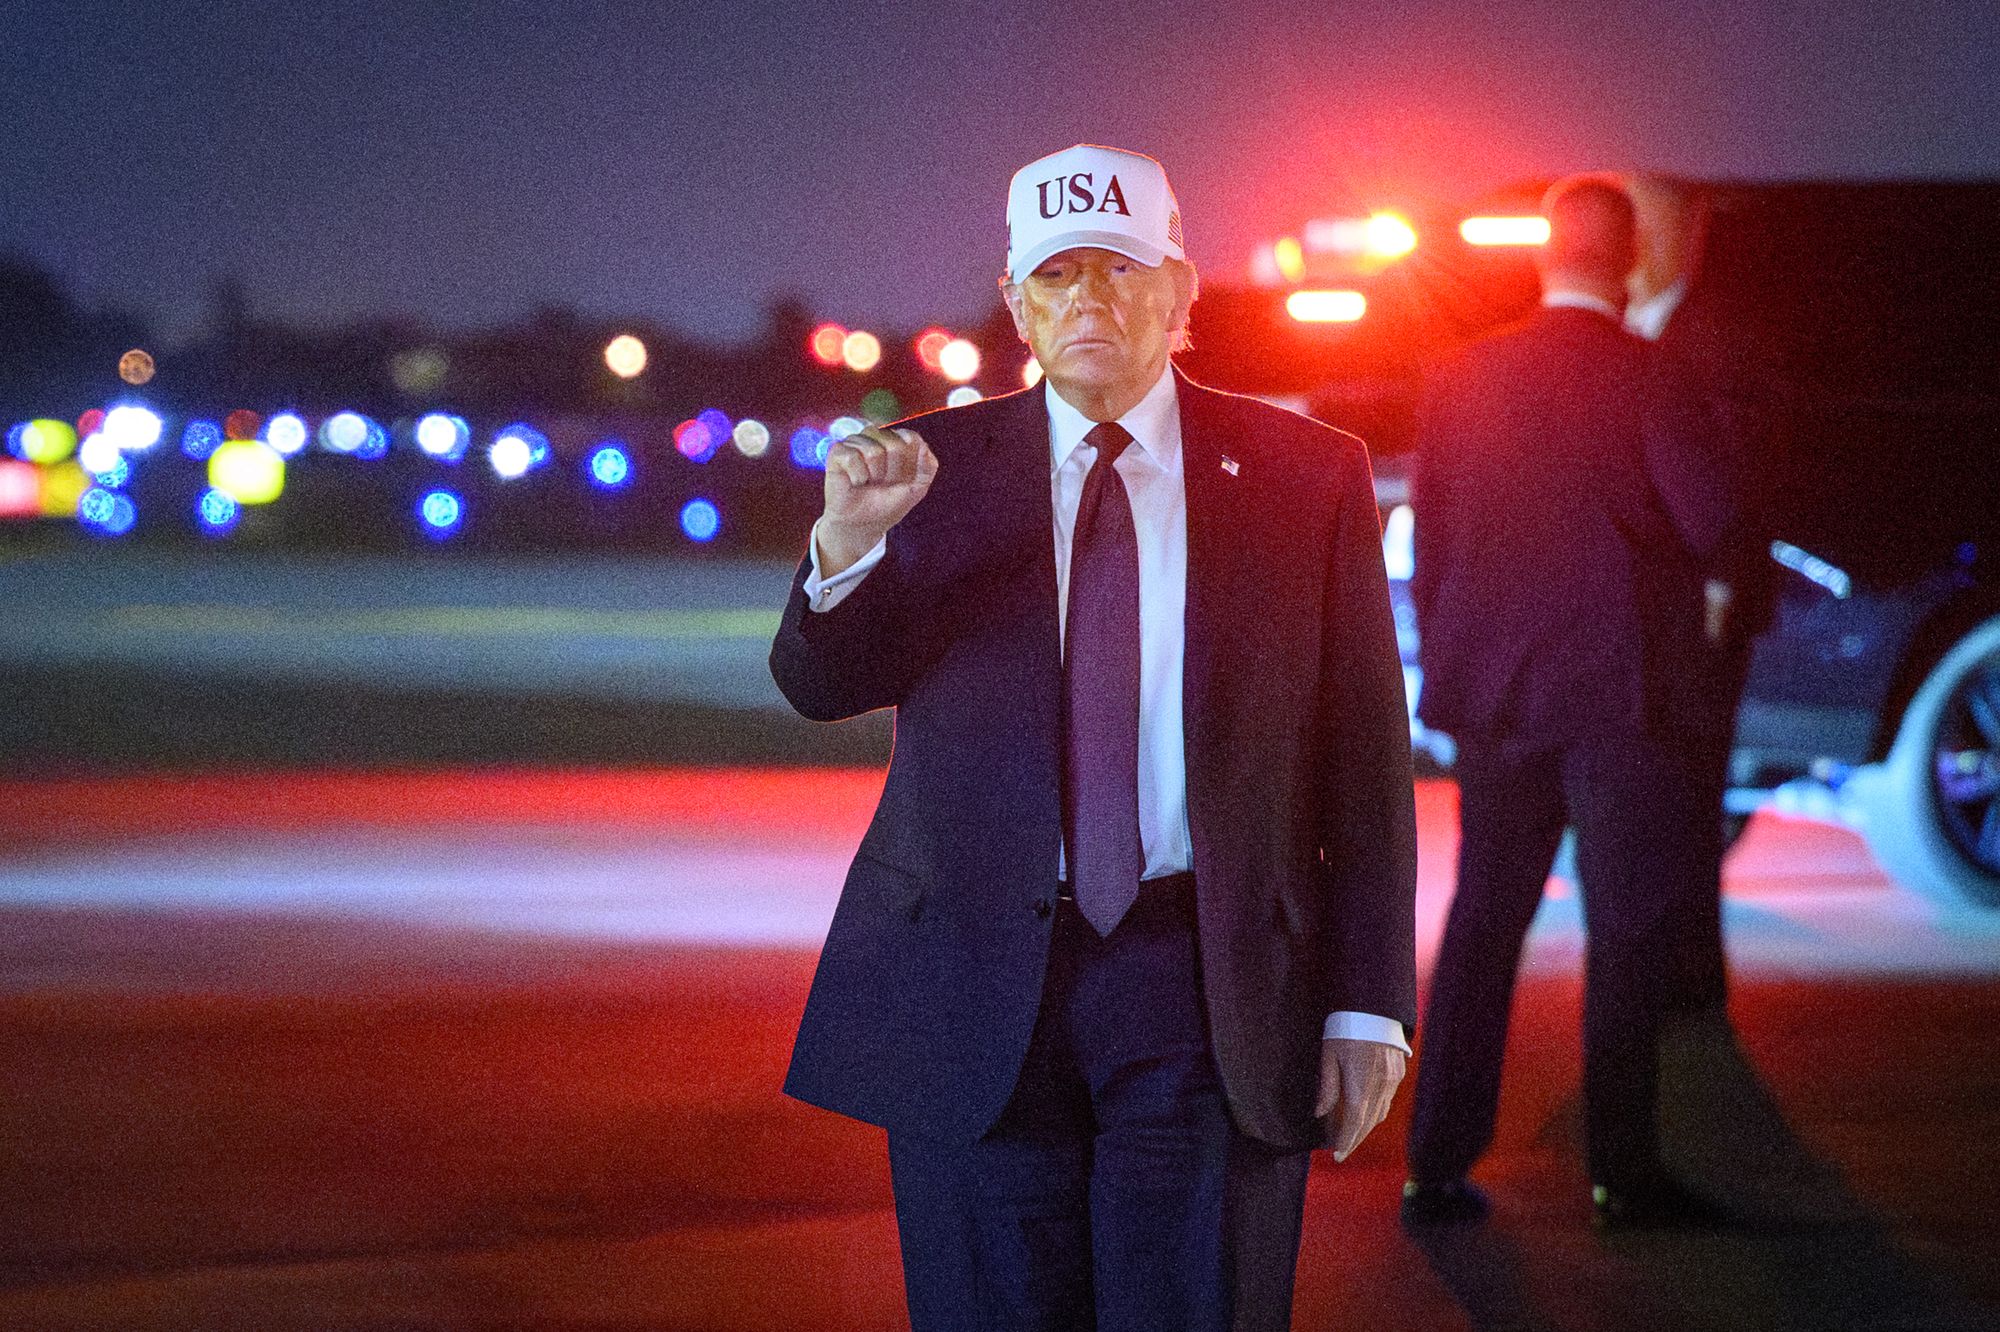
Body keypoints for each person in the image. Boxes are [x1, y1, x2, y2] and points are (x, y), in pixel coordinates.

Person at [769, 143, 1418, 1330]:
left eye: (1118, 272)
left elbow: (1364, 763)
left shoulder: (1305, 477)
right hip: (976, 987)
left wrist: (1367, 1000)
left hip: (1207, 979)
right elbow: (821, 685)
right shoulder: (928, 473)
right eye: (1056, 277)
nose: (1088, 303)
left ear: (1179, 293)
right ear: (1016, 304)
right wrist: (846, 548)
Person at [1399, 175, 1742, 1231]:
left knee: (1481, 923)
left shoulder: (1461, 374)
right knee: (1623, 930)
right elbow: (1712, 521)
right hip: (1618, 698)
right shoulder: (1652, 376)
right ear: (1629, 256)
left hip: (1499, 697)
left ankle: (1436, 1162)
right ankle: (1621, 1174)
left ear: (1541, 255)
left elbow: (1434, 541)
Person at [1626, 173, 1781, 1016]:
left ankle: (1686, 984)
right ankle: (1681, 980)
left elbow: (1736, 474)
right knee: (1673, 801)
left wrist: (1721, 585)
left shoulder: (1711, 335)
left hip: (1699, 614)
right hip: (1667, 614)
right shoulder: (1657, 330)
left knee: (1685, 801)